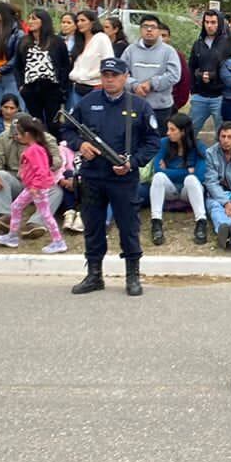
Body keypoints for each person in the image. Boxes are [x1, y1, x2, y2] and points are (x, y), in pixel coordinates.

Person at [66, 57, 160, 299]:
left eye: (114, 75)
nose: (109, 79)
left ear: (125, 76)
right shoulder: (87, 103)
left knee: (129, 228)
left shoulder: (139, 106)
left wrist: (133, 162)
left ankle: (132, 276)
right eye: (105, 75)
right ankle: (94, 274)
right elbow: (67, 129)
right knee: (93, 226)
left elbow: (152, 142)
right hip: (92, 176)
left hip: (123, 178)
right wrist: (80, 144)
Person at [0, 102, 65, 240]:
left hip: (38, 183)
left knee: (56, 192)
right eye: (14, 134)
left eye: (20, 134)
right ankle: (4, 217)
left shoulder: (47, 139)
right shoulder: (3, 138)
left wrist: (41, 168)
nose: (17, 137)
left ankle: (35, 223)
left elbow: (57, 160)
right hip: (16, 180)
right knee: (1, 175)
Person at [148, 111, 209, 246]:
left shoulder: (198, 147)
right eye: (168, 129)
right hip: (171, 189)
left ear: (183, 132)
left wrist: (169, 170)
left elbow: (199, 176)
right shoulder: (164, 143)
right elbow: (157, 170)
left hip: (188, 192)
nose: (168, 133)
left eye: (172, 129)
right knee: (158, 177)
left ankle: (201, 222)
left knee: (191, 180)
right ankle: (156, 222)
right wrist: (187, 171)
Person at [121, 14, 182, 135]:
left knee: (158, 142)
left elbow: (174, 75)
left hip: (161, 108)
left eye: (153, 27)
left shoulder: (169, 51)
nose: (149, 30)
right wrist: (135, 85)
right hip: (135, 105)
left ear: (159, 31)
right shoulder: (130, 50)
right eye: (145, 26)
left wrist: (152, 84)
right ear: (140, 30)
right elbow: (121, 74)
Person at [14, 8, 71, 131]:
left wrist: (62, 87)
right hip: (30, 87)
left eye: (34, 18)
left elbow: (65, 65)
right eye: (29, 18)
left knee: (53, 123)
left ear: (43, 21)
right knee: (35, 122)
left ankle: (54, 147)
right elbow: (18, 66)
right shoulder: (23, 41)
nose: (30, 21)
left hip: (51, 87)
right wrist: (21, 86)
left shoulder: (56, 41)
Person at [186, 9, 231, 137]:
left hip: (220, 96)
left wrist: (214, 76)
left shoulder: (228, 43)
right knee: (188, 133)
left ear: (220, 23)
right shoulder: (198, 44)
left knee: (222, 135)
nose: (209, 25)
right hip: (200, 96)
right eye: (206, 22)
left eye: (213, 22)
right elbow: (191, 67)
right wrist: (194, 87)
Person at [203, 121, 231, 251]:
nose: (226, 140)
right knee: (216, 209)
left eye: (230, 137)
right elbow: (211, 182)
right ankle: (224, 231)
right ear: (218, 137)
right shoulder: (211, 153)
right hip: (219, 193)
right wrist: (226, 202)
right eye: (223, 136)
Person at [67, 9, 113, 100]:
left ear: (92, 22)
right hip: (77, 87)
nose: (79, 23)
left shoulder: (101, 38)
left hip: (95, 87)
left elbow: (109, 61)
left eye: (83, 20)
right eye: (77, 21)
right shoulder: (79, 41)